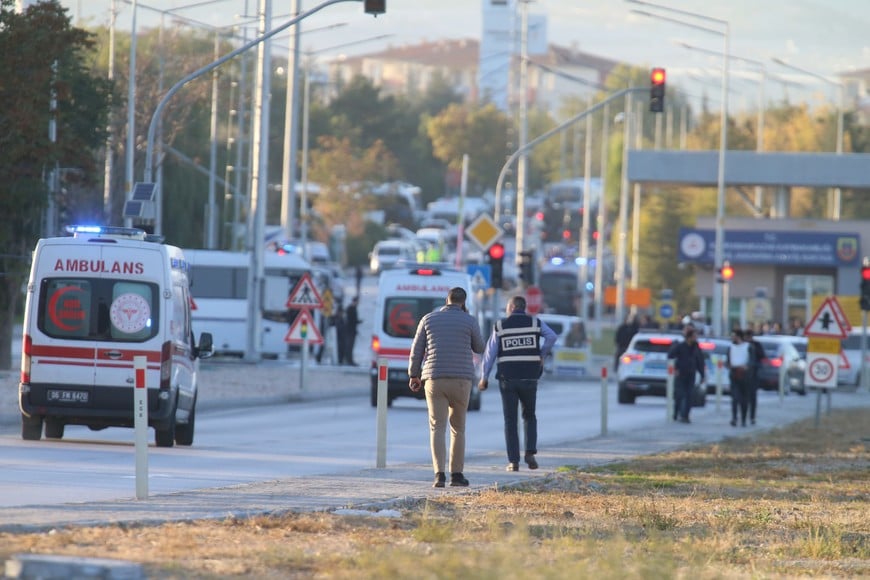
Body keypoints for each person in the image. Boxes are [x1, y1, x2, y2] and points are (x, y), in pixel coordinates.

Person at [408, 287, 485, 488]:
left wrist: (413, 375)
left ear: (447, 300)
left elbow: (417, 351)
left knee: (437, 427)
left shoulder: (428, 319)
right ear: (464, 302)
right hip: (462, 380)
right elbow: (480, 347)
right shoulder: (470, 321)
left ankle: (439, 475)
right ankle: (457, 475)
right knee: (458, 428)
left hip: (435, 378)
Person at [479, 295, 557, 472]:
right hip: (530, 377)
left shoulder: (500, 326)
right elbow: (552, 337)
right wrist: (541, 355)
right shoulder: (535, 323)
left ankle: (513, 462)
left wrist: (484, 377)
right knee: (530, 415)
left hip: (508, 378)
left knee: (510, 420)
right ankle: (530, 452)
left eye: (507, 306)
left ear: (512, 307)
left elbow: (490, 353)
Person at [667, 326, 705, 423]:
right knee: (680, 394)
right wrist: (675, 369)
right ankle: (676, 412)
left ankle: (685, 415)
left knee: (689, 395)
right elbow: (670, 356)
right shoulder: (680, 346)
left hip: (691, 374)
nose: (695, 338)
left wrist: (702, 375)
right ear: (689, 337)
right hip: (681, 374)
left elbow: (700, 361)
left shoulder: (696, 348)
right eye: (694, 336)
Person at [727, 329, 751, 427]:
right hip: (734, 374)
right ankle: (734, 417)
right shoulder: (731, 347)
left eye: (734, 336)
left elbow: (751, 361)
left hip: (744, 375)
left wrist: (747, 367)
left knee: (744, 399)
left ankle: (744, 419)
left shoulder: (748, 347)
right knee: (735, 398)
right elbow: (728, 360)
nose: (733, 338)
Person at [744, 328, 764, 425]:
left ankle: (752, 416)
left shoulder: (756, 345)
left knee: (752, 397)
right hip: (743, 374)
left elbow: (762, 356)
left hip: (754, 374)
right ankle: (744, 415)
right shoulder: (742, 345)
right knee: (744, 397)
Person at [344, 296, 362, 366]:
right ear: (355, 301)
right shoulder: (350, 309)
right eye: (357, 302)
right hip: (350, 330)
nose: (358, 303)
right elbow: (351, 320)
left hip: (352, 330)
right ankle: (349, 360)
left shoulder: (353, 308)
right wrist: (358, 321)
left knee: (351, 346)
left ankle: (349, 360)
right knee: (349, 346)